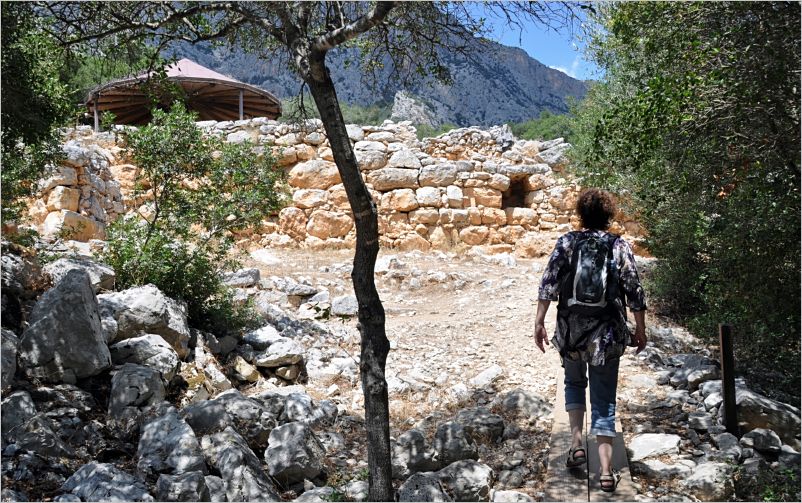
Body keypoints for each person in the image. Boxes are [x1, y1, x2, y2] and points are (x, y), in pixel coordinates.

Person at [533, 188, 647, 493]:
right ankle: (606, 472)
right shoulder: (618, 245)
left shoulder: (567, 242)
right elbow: (634, 290)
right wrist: (640, 328)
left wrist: (539, 322)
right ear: (608, 215)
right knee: (604, 398)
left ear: (580, 214)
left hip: (571, 331)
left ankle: (576, 446)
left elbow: (548, 284)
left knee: (573, 383)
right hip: (606, 335)